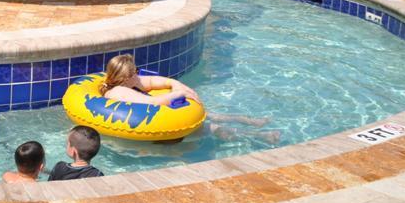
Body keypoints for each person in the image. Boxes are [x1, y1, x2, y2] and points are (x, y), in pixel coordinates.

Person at [100, 54, 279, 143]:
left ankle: (250, 121)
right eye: (135, 71)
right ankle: (259, 136)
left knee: (213, 115)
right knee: (213, 128)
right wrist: (181, 94)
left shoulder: (131, 82)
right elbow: (152, 102)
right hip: (156, 128)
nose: (138, 74)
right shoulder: (118, 92)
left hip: (162, 116)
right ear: (126, 76)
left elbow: (157, 81)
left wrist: (177, 85)